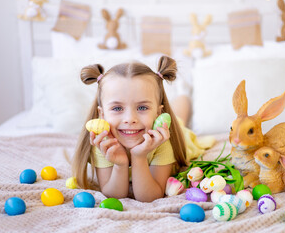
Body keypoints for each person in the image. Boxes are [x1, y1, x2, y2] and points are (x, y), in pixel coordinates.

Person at [72, 56, 214, 202]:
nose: (130, 118)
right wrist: (120, 164)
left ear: (158, 113)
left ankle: (184, 93)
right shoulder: (104, 142)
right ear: (102, 114)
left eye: (142, 107)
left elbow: (149, 197)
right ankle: (182, 94)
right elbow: (113, 196)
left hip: (172, 130)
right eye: (117, 108)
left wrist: (139, 157)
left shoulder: (161, 141)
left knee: (180, 120)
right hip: (143, 128)